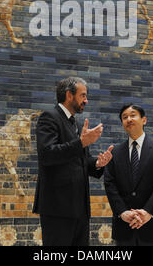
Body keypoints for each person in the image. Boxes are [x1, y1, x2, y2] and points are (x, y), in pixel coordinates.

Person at [33, 76, 113, 246]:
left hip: (79, 208)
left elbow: (81, 160)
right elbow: (47, 154)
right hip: (58, 208)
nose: (86, 100)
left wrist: (98, 164)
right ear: (69, 95)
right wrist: (81, 142)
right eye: (83, 95)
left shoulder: (75, 123)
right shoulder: (49, 117)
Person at [104, 104, 153, 246]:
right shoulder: (114, 153)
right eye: (124, 117)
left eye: (133, 115)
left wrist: (147, 212)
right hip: (124, 228)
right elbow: (110, 184)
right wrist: (122, 212)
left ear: (144, 120)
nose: (129, 119)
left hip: (152, 228)